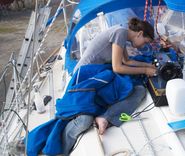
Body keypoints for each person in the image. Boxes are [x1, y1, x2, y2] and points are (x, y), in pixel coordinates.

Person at [63, 17, 157, 155]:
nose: (143, 46)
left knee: (138, 89)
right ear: (140, 33)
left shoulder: (122, 33)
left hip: (97, 75)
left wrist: (148, 66)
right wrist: (145, 71)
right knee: (137, 90)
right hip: (85, 78)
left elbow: (127, 61)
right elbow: (118, 67)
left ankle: (105, 117)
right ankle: (105, 117)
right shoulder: (120, 33)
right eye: (145, 42)